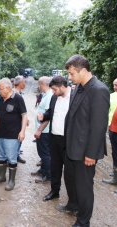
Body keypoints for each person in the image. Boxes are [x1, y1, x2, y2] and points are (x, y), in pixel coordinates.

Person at [62, 54, 109, 227]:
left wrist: (91, 153)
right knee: (70, 180)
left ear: (83, 70)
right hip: (72, 147)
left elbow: (98, 126)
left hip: (84, 151)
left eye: (71, 73)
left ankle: (83, 221)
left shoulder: (99, 90)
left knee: (84, 188)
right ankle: (72, 204)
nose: (69, 77)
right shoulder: (78, 87)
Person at [37, 76, 77, 208]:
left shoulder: (75, 97)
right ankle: (55, 191)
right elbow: (51, 112)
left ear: (61, 86)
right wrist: (44, 116)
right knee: (55, 168)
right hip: (54, 138)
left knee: (70, 173)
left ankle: (72, 201)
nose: (53, 92)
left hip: (69, 141)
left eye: (54, 89)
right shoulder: (55, 97)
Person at [0, 78, 27, 191]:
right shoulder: (2, 99)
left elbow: (24, 116)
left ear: (7, 88)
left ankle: (12, 181)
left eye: (0, 89)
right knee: (0, 156)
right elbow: (0, 115)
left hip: (12, 134)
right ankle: (1, 176)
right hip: (0, 133)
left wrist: (22, 131)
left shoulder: (18, 99)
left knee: (11, 158)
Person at [32, 76, 53, 183]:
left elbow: (47, 117)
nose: (38, 86)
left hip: (45, 130)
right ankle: (43, 170)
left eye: (39, 84)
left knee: (45, 154)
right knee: (42, 153)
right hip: (43, 130)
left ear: (43, 85)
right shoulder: (45, 95)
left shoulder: (49, 96)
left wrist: (39, 130)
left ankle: (48, 175)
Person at [13, 75, 27, 164]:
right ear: (21, 83)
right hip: (15, 122)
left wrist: (26, 118)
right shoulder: (14, 94)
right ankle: (12, 157)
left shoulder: (19, 93)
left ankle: (17, 155)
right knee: (15, 139)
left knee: (19, 139)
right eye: (24, 82)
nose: (25, 84)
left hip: (20, 120)